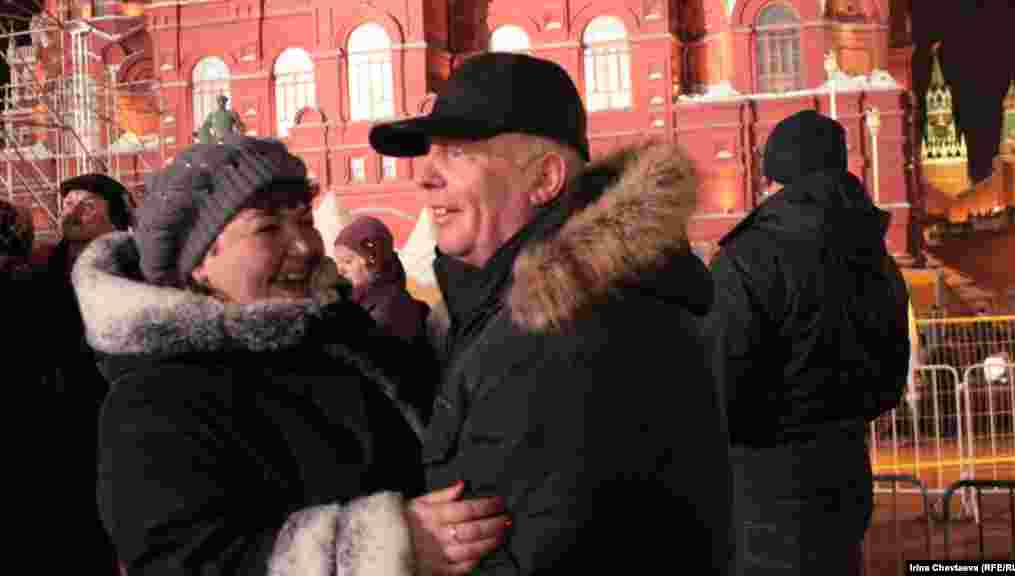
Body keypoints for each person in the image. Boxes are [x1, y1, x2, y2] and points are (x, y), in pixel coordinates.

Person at [71, 135, 507, 575]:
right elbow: (182, 563)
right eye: (267, 228)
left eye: (305, 220)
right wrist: (379, 551)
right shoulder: (153, 400)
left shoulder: (344, 338)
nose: (304, 247)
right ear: (198, 262)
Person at [370, 52, 732, 574]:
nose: (424, 176)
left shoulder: (559, 327)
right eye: (428, 154)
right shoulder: (532, 303)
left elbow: (520, 557)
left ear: (544, 179)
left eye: (455, 153)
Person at [702, 110, 911, 575]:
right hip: (847, 475)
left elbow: (718, 390)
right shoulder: (875, 256)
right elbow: (890, 378)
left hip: (765, 492)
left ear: (775, 180)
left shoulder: (749, 259)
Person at [39, 172, 133, 575]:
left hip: (117, 413)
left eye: (87, 205)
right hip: (53, 420)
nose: (72, 212)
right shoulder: (39, 270)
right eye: (67, 204)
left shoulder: (132, 268)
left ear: (113, 216)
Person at [333, 215, 431, 342]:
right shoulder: (353, 301)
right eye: (337, 263)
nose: (340, 271)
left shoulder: (393, 306)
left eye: (347, 261)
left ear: (374, 260)